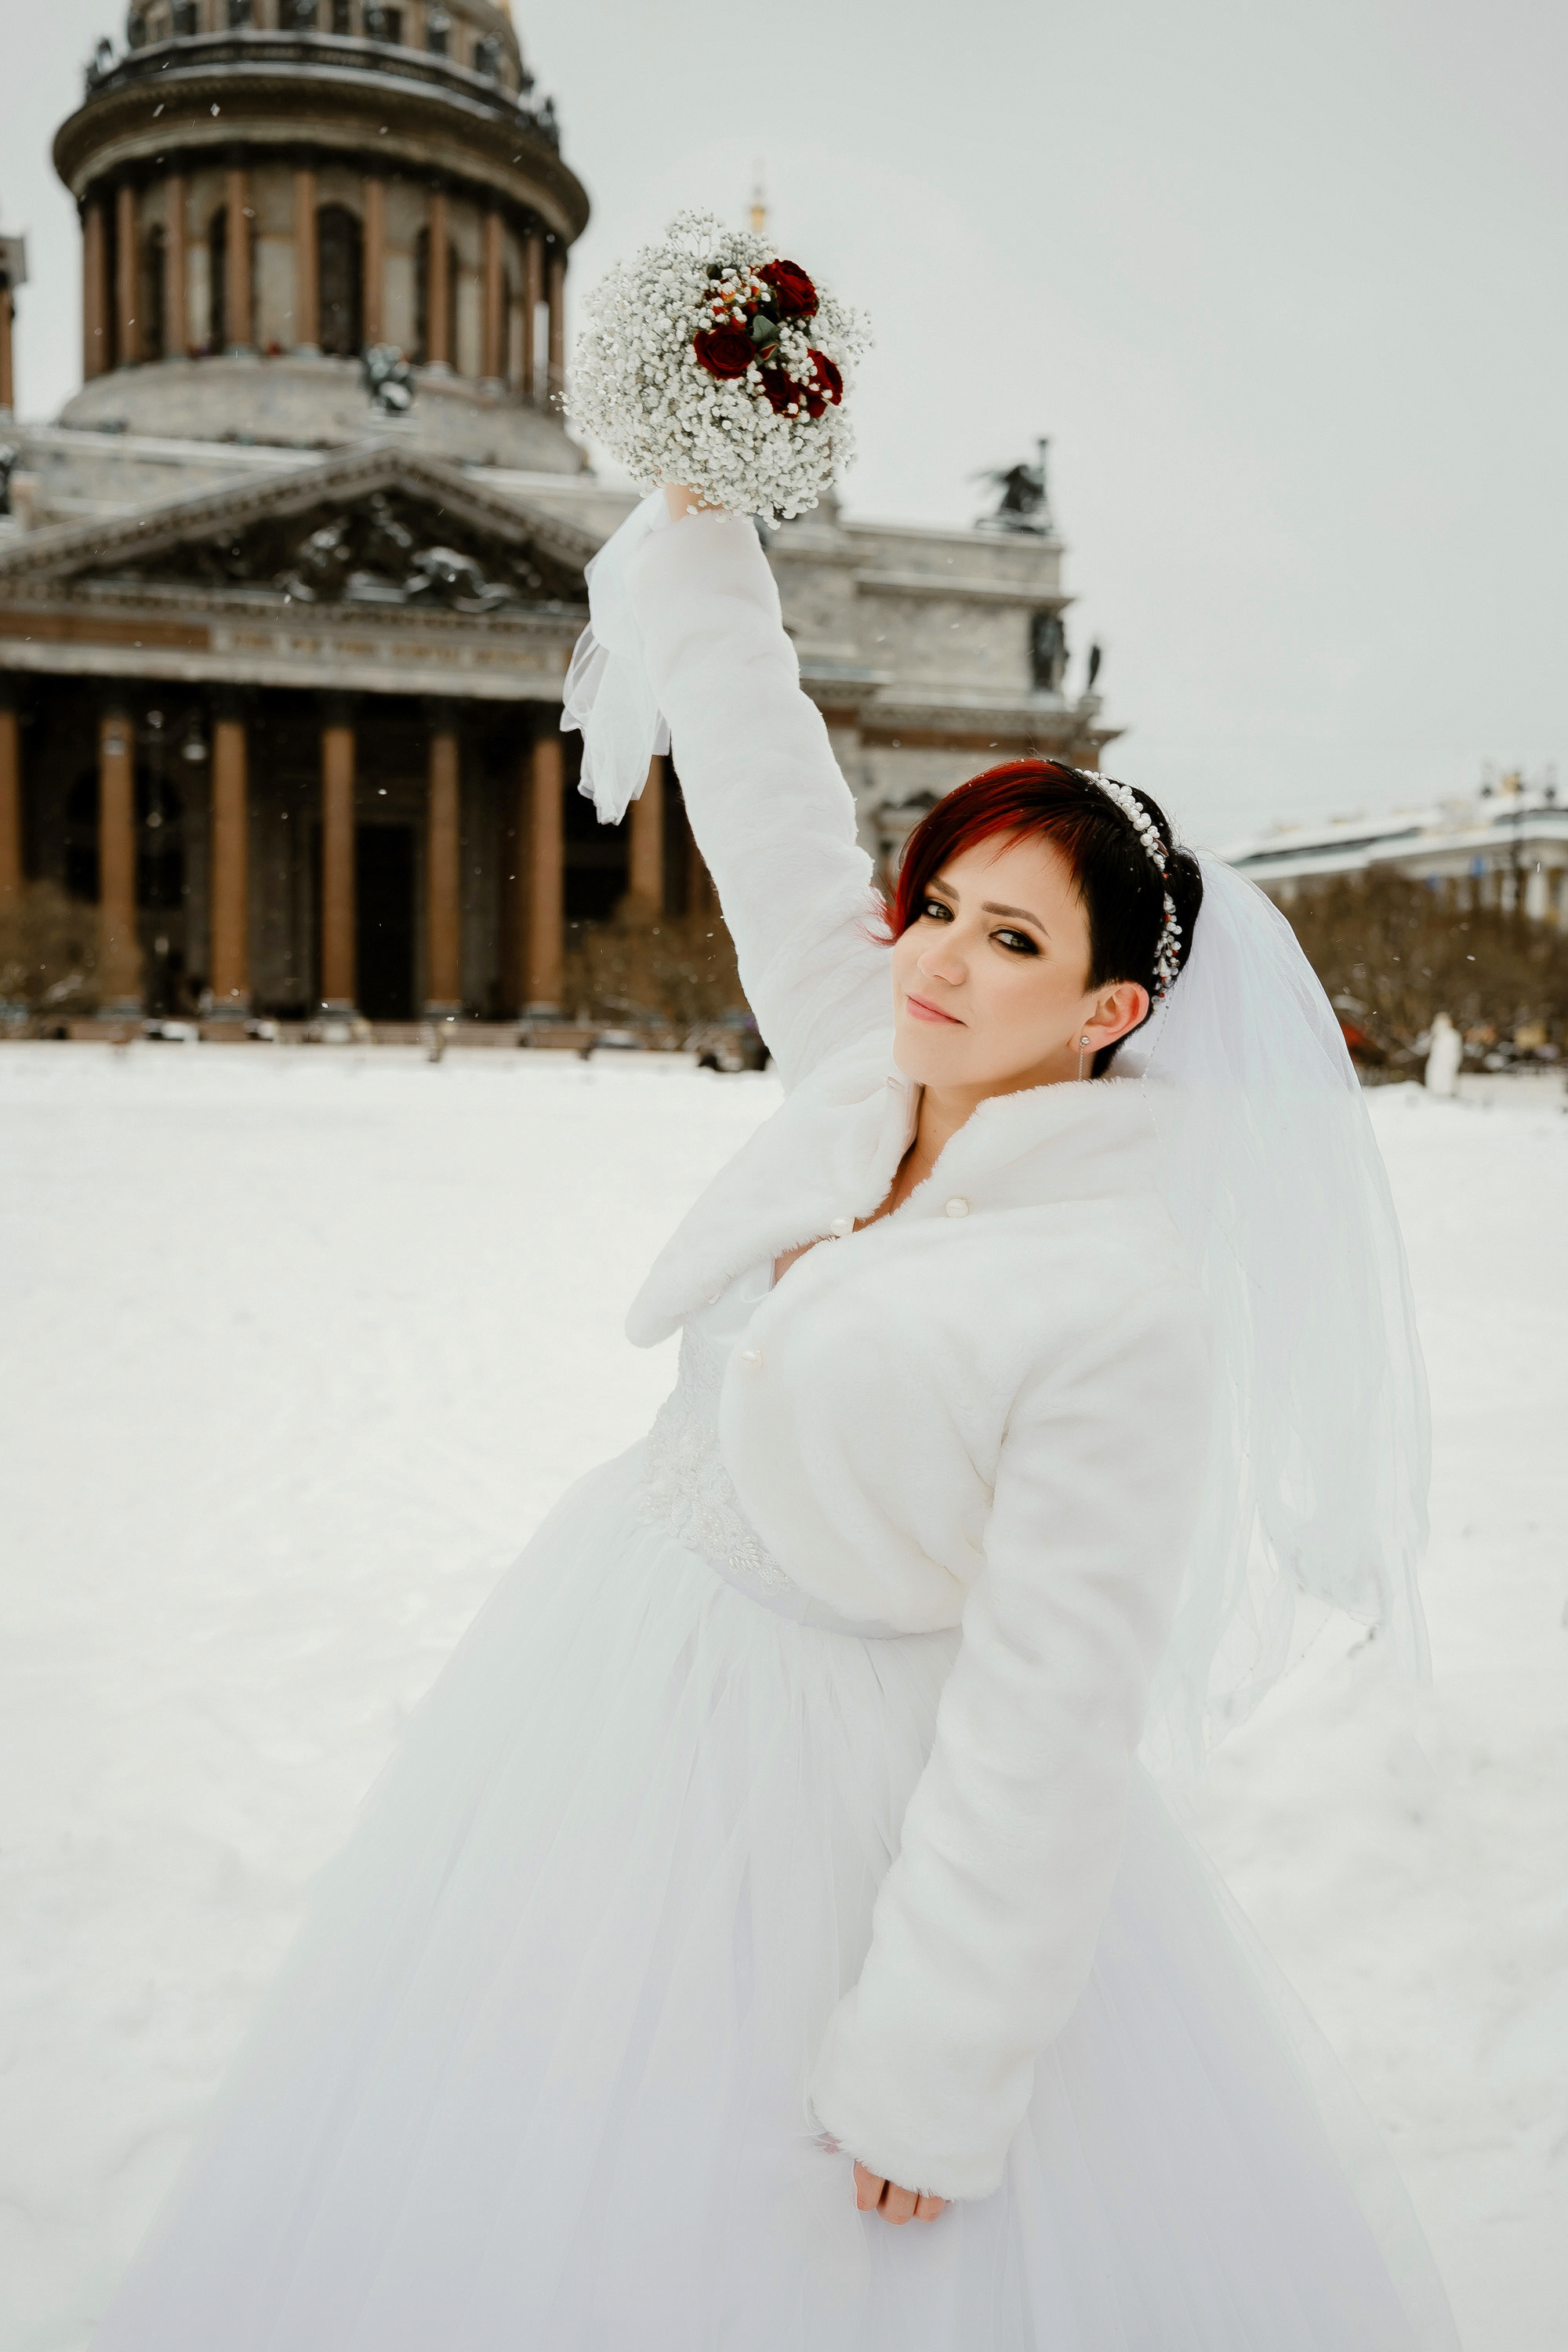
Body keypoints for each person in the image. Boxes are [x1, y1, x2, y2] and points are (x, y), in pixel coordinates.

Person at [90, 487, 1458, 2351]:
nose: (937, 961)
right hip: (613, 1667)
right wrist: (698, 510)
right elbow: (762, 783)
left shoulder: (1120, 1299)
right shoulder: (859, 1053)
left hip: (839, 1778)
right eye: (940, 907)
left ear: (1112, 1008)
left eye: (1011, 947)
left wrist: (938, 2060)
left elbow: (1047, 1718)